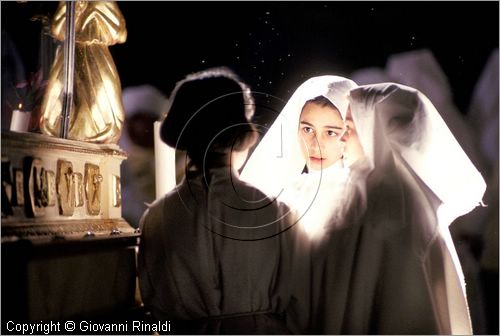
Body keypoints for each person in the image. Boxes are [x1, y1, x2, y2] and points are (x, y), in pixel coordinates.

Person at [242, 77, 486, 334]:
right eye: (307, 129)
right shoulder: (289, 195)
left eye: (333, 132)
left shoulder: (368, 203)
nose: (315, 144)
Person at [137, 67, 295, 334]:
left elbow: (154, 300)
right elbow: (296, 295)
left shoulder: (157, 217)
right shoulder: (272, 210)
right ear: (242, 134)